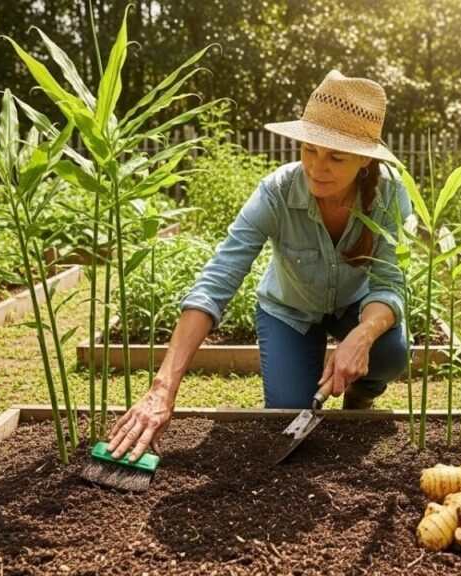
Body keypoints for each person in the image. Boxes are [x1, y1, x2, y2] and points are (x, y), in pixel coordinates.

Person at [108, 70, 412, 462]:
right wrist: (163, 387)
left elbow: (388, 281)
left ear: (364, 162)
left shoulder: (388, 196)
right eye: (308, 150)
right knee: (286, 407)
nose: (317, 168)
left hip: (356, 306)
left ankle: (360, 394)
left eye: (335, 156)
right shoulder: (276, 193)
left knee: (391, 350)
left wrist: (363, 335)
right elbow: (218, 278)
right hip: (289, 311)